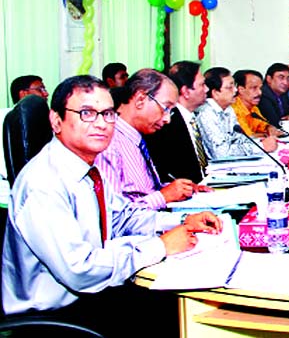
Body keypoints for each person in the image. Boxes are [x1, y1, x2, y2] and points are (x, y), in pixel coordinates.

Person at [1, 75, 222, 336]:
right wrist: (161, 246)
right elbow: (81, 270)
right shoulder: (43, 183)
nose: (102, 124)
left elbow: (122, 218)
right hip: (55, 316)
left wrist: (182, 223)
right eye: (86, 113)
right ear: (56, 120)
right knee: (170, 318)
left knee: (180, 306)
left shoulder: (87, 167)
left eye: (107, 114)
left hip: (89, 296)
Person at [97, 68, 210, 210]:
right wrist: (163, 196)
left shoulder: (137, 138)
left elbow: (142, 192)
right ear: (140, 99)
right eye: (166, 108)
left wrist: (180, 189)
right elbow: (113, 216)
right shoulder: (109, 146)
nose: (167, 119)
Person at [145, 60, 210, 184]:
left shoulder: (192, 117)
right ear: (186, 91)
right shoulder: (168, 123)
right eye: (202, 84)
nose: (207, 89)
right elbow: (169, 171)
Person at [197, 67, 278, 160]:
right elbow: (221, 153)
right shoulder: (207, 114)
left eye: (234, 86)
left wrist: (260, 143)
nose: (235, 90)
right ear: (215, 93)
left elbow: (239, 139)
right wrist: (261, 147)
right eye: (229, 87)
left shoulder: (228, 109)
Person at [258, 63, 289, 128]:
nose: (285, 82)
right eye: (281, 78)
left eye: (288, 78)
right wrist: (286, 121)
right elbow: (274, 122)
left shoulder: (283, 94)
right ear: (269, 79)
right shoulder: (263, 95)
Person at [232, 69, 272, 137]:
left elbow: (264, 126)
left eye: (260, 88)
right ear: (241, 90)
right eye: (254, 88)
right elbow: (247, 137)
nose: (260, 92)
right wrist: (266, 134)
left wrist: (270, 128)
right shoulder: (234, 110)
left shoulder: (254, 108)